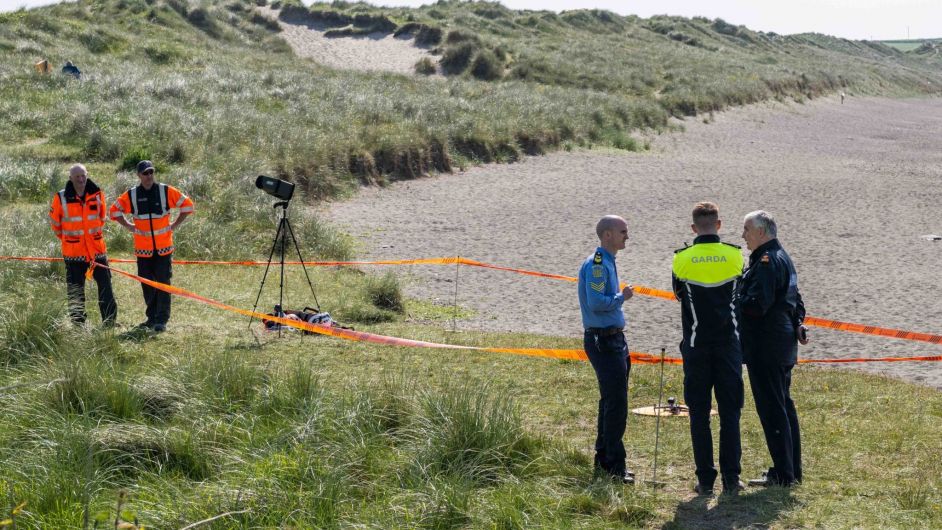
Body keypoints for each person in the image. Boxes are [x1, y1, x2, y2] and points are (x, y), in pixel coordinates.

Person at [672, 202, 745, 495]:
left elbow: (679, 295)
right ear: (718, 225)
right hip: (728, 344)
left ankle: (704, 479)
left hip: (696, 344)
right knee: (730, 413)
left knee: (698, 414)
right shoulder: (735, 255)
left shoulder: (681, 259)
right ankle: (731, 477)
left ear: (693, 228)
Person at [739, 210, 808, 487]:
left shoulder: (767, 261)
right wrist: (800, 323)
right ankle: (791, 470)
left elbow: (758, 304)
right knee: (783, 407)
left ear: (760, 232)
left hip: (766, 346)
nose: (742, 235)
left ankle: (783, 474)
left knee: (773, 409)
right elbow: (796, 302)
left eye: (746, 229)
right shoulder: (783, 258)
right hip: (781, 345)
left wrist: (734, 298)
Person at [578, 215, 635, 484]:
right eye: (623, 231)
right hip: (603, 341)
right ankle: (613, 466)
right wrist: (621, 297)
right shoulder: (598, 265)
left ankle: (604, 461)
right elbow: (598, 302)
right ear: (608, 235)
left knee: (611, 402)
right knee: (616, 405)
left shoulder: (608, 262)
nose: (627, 236)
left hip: (613, 340)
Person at [109, 160, 194, 332]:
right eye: (145, 173)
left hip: (164, 247)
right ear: (139, 175)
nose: (149, 176)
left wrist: (175, 225)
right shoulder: (131, 195)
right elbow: (114, 211)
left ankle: (161, 320)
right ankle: (151, 317)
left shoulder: (165, 190)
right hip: (143, 250)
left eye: (151, 172)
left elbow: (188, 206)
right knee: (146, 283)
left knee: (163, 283)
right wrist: (128, 226)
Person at [48, 164, 117, 327]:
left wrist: (90, 238)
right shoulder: (60, 197)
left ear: (87, 175)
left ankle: (109, 322)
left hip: (97, 251)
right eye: (77, 176)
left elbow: (101, 218)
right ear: (70, 178)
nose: (81, 179)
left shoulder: (98, 194)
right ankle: (78, 324)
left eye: (83, 175)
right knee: (75, 290)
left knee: (106, 288)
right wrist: (69, 240)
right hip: (73, 253)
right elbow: (55, 225)